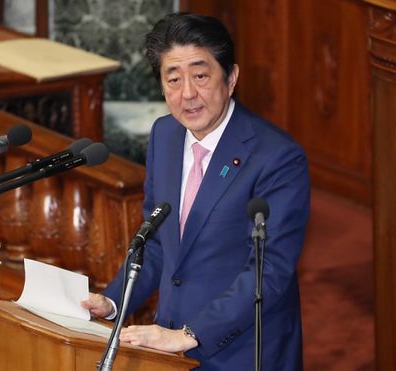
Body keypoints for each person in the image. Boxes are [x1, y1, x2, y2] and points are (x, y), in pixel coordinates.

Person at [82, 12, 310, 370]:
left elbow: (269, 271)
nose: (187, 93)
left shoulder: (277, 157)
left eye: (201, 76)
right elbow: (156, 242)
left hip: (244, 350)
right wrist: (113, 303)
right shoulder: (165, 135)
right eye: (173, 79)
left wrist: (190, 334)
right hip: (170, 342)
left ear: (231, 78)